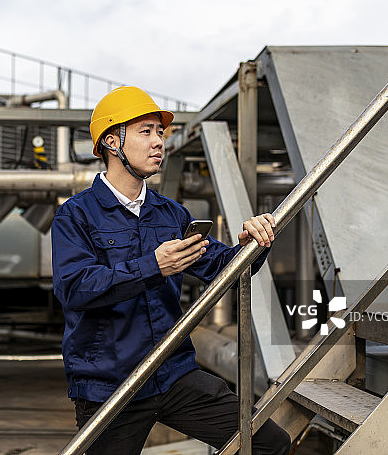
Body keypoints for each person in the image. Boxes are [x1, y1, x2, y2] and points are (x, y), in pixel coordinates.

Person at [51, 86, 291, 455]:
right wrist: (152, 266)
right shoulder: (77, 215)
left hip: (172, 372)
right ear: (112, 143)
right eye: (145, 131)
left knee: (269, 443)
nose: (158, 142)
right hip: (110, 385)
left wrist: (251, 245)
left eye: (160, 132)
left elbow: (222, 270)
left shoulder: (171, 214)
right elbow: (75, 289)